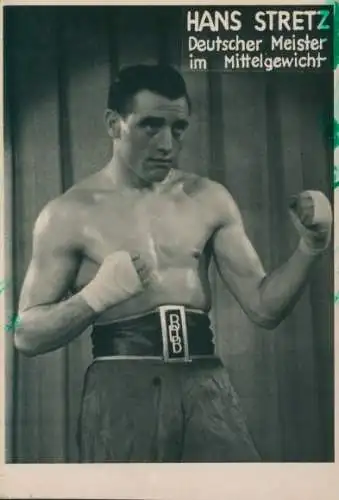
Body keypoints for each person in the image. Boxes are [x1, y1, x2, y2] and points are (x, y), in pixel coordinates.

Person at [14, 65, 332, 462]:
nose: (167, 143)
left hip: (206, 384)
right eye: (150, 126)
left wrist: (312, 246)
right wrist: (95, 297)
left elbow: (265, 308)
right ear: (115, 125)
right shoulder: (67, 214)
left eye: (178, 128)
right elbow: (26, 335)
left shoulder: (209, 198)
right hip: (121, 390)